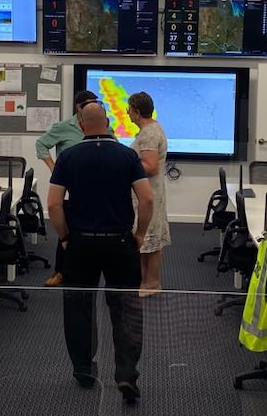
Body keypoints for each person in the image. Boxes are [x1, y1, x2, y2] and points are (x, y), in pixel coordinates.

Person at [46, 102, 152, 403]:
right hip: (120, 242)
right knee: (126, 309)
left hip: (81, 243)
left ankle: (83, 370)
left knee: (79, 307)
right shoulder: (127, 155)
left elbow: (53, 204)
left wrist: (65, 237)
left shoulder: (68, 156)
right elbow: (146, 199)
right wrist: (140, 234)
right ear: (107, 123)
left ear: (81, 125)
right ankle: (127, 374)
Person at [35, 90, 102, 287]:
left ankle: (93, 268)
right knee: (68, 225)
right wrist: (53, 167)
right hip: (71, 184)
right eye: (87, 104)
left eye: (94, 103)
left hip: (96, 182)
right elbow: (41, 144)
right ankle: (60, 271)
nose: (91, 107)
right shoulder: (64, 127)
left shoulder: (102, 124)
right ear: (78, 107)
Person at [127, 92, 171, 297]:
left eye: (129, 109)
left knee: (151, 239)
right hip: (148, 191)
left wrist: (125, 166)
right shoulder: (151, 128)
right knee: (146, 239)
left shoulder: (149, 134)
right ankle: (145, 280)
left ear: (136, 112)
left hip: (148, 192)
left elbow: (150, 166)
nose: (127, 112)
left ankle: (152, 283)